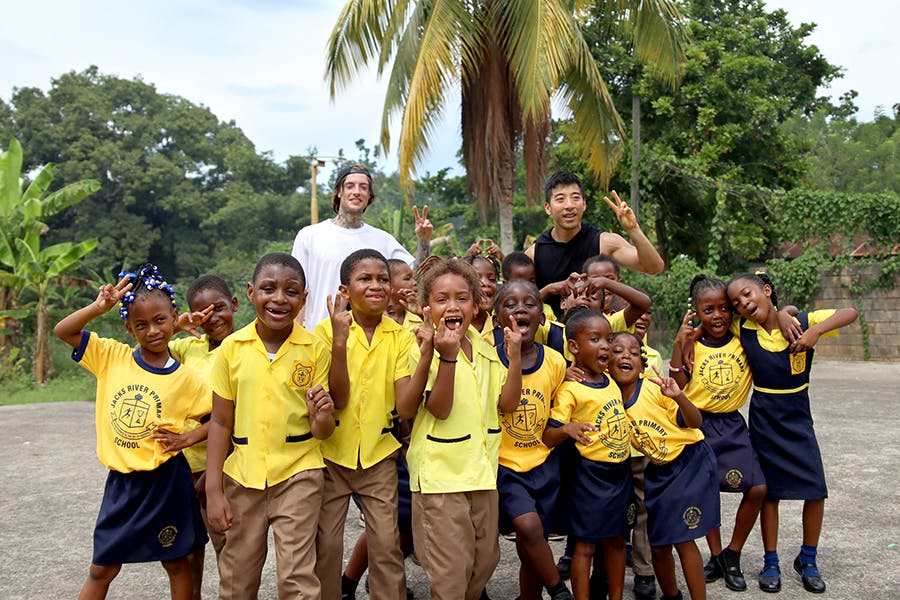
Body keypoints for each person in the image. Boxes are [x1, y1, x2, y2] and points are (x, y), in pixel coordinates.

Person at [54, 265, 209, 600]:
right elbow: (63, 331)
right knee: (102, 568)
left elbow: (222, 419)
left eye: (160, 320)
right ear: (129, 328)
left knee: (177, 562)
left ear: (174, 317)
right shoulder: (111, 356)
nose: (152, 330)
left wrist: (187, 439)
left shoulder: (186, 379)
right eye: (141, 324)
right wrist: (97, 308)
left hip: (167, 482)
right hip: (122, 485)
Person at [205, 253, 335, 599]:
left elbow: (323, 429)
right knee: (237, 576)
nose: (279, 298)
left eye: (291, 291)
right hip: (243, 476)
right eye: (268, 288)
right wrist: (214, 490)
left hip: (299, 473)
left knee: (296, 576)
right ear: (250, 292)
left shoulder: (315, 349)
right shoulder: (231, 349)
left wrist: (323, 416)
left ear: (304, 299)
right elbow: (220, 422)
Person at [395, 257, 523, 600]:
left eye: (462, 298)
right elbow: (438, 408)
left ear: (477, 303)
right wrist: (446, 357)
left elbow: (507, 404)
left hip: (482, 473)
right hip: (441, 477)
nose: (453, 306)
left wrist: (514, 358)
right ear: (426, 308)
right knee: (450, 575)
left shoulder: (483, 348)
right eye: (442, 299)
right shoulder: (419, 346)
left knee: (484, 562)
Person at [726, 272, 857, 594]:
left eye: (748, 294)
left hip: (798, 416)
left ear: (767, 290)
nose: (743, 304)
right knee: (770, 493)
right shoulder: (742, 327)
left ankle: (808, 559)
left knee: (815, 489)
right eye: (737, 303)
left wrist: (812, 330)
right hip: (765, 417)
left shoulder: (802, 323)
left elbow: (850, 313)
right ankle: (770, 560)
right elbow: (710, 318)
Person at [313, 249, 432, 600]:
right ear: (345, 291)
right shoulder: (323, 333)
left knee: (386, 547)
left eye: (383, 279)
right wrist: (338, 341)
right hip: (331, 456)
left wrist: (425, 356)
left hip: (380, 458)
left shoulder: (398, 336)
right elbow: (339, 400)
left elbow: (405, 406)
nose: (376, 285)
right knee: (328, 547)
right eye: (365, 279)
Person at [668, 274, 766, 593]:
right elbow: (678, 385)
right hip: (699, 425)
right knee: (707, 491)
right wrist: (682, 343)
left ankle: (733, 553)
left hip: (733, 425)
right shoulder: (691, 343)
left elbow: (769, 315)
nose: (718, 316)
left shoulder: (741, 335)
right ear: (696, 311)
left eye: (724, 308)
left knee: (758, 487)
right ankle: (717, 556)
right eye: (708, 310)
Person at [610, 332, 719, 600]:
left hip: (689, 461)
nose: (627, 355)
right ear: (605, 361)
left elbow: (695, 422)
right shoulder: (607, 397)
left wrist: (679, 395)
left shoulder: (653, 388)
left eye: (634, 353)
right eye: (618, 351)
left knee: (683, 538)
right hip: (658, 469)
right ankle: (671, 595)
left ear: (642, 363)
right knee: (658, 545)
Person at [543, 310, 632, 600]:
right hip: (589, 477)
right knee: (585, 546)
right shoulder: (571, 389)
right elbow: (548, 435)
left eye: (608, 339)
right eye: (595, 339)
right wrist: (567, 429)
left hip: (620, 473)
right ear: (574, 347)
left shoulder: (612, 380)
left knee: (617, 542)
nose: (605, 346)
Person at [492, 281, 572, 600]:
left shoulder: (554, 361)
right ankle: (558, 589)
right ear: (497, 318)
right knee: (528, 526)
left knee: (533, 542)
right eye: (510, 304)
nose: (520, 309)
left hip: (543, 462)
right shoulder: (488, 358)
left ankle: (530, 596)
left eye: (530, 304)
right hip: (505, 464)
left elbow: (560, 401)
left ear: (542, 316)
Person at [164, 275, 239, 600]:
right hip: (182, 466)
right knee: (189, 548)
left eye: (219, 308)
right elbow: (145, 349)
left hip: (225, 466)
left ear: (234, 305)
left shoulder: (242, 348)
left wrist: (191, 440)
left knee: (230, 547)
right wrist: (177, 326)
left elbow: (233, 414)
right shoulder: (188, 348)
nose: (213, 318)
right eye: (202, 312)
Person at [291, 164, 432, 329]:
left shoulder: (383, 239)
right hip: (321, 339)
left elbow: (417, 277)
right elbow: (297, 291)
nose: (356, 191)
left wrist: (424, 241)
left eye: (363, 187)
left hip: (370, 342)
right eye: (350, 186)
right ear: (339, 192)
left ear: (369, 195)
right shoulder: (309, 236)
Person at [527, 171, 664, 318]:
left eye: (575, 198)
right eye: (560, 199)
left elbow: (654, 267)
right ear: (548, 207)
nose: (569, 205)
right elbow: (522, 303)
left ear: (584, 204)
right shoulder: (534, 254)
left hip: (598, 334)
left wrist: (633, 229)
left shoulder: (604, 242)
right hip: (551, 338)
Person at [463, 253, 501, 340]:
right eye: (476, 279)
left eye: (492, 279)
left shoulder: (503, 331)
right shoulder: (454, 330)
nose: (485, 283)